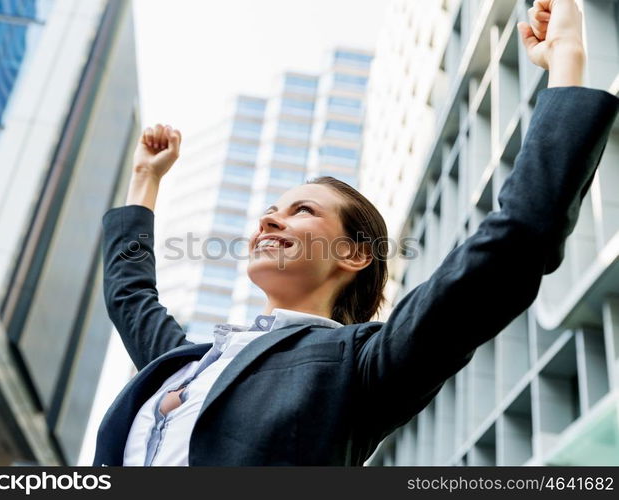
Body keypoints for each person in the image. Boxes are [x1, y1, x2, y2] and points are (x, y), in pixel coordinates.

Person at [94, 0, 619, 466]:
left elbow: (514, 242)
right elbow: (129, 293)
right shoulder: (187, 361)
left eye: (302, 211)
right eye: (272, 209)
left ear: (352, 255)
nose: (268, 220)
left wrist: (567, 61)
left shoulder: (362, 364)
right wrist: (146, 179)